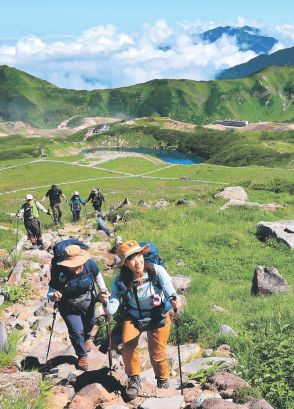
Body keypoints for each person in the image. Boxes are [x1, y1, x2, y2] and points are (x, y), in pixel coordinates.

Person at [106, 240, 180, 399]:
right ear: (125, 264)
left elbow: (169, 288)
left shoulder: (156, 270)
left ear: (143, 255)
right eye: (131, 259)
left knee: (157, 352)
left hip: (157, 314)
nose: (137, 261)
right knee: (128, 346)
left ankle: (162, 380)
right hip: (133, 315)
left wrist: (174, 298)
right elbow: (113, 302)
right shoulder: (120, 281)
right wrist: (105, 308)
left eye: (138, 256)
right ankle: (134, 379)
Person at [48, 243, 109, 371]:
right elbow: (51, 291)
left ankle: (87, 339)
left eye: (78, 265)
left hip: (88, 301)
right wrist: (54, 295)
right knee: (76, 332)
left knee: (90, 323)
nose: (77, 269)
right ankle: (82, 355)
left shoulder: (89, 264)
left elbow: (98, 275)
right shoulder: (59, 271)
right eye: (73, 266)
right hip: (68, 305)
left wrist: (103, 289)